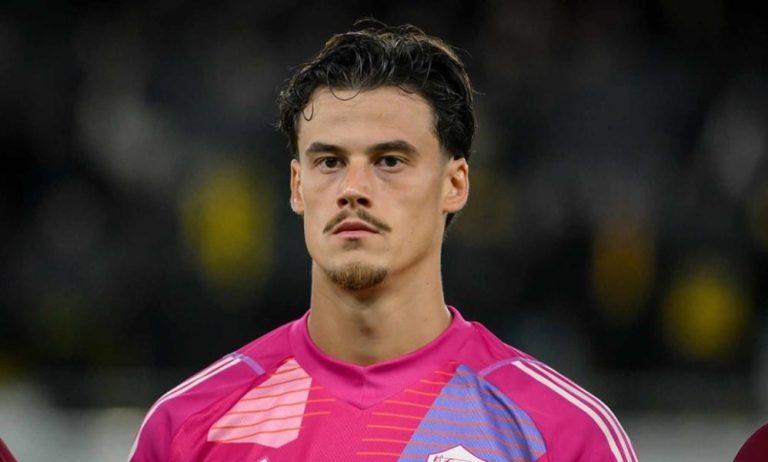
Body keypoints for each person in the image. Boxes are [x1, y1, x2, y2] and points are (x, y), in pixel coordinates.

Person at [129, 21, 638, 462]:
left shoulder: (562, 435)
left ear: (455, 184)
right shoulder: (187, 429)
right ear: (297, 186)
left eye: (390, 161)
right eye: (329, 162)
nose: (353, 189)